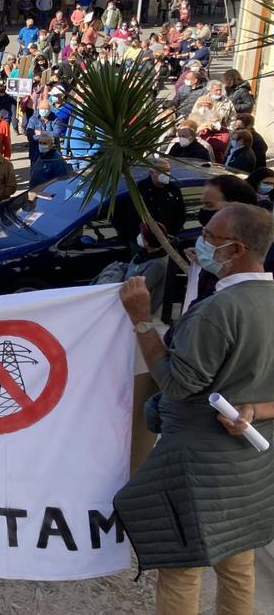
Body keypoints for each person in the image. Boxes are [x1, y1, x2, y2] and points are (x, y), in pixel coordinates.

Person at [115, 203, 274, 615]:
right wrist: (254, 410)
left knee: (182, 568)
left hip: (199, 466)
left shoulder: (219, 311)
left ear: (236, 249)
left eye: (210, 237)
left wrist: (141, 320)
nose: (200, 242)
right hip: (251, 468)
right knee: (237, 562)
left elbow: (175, 383)